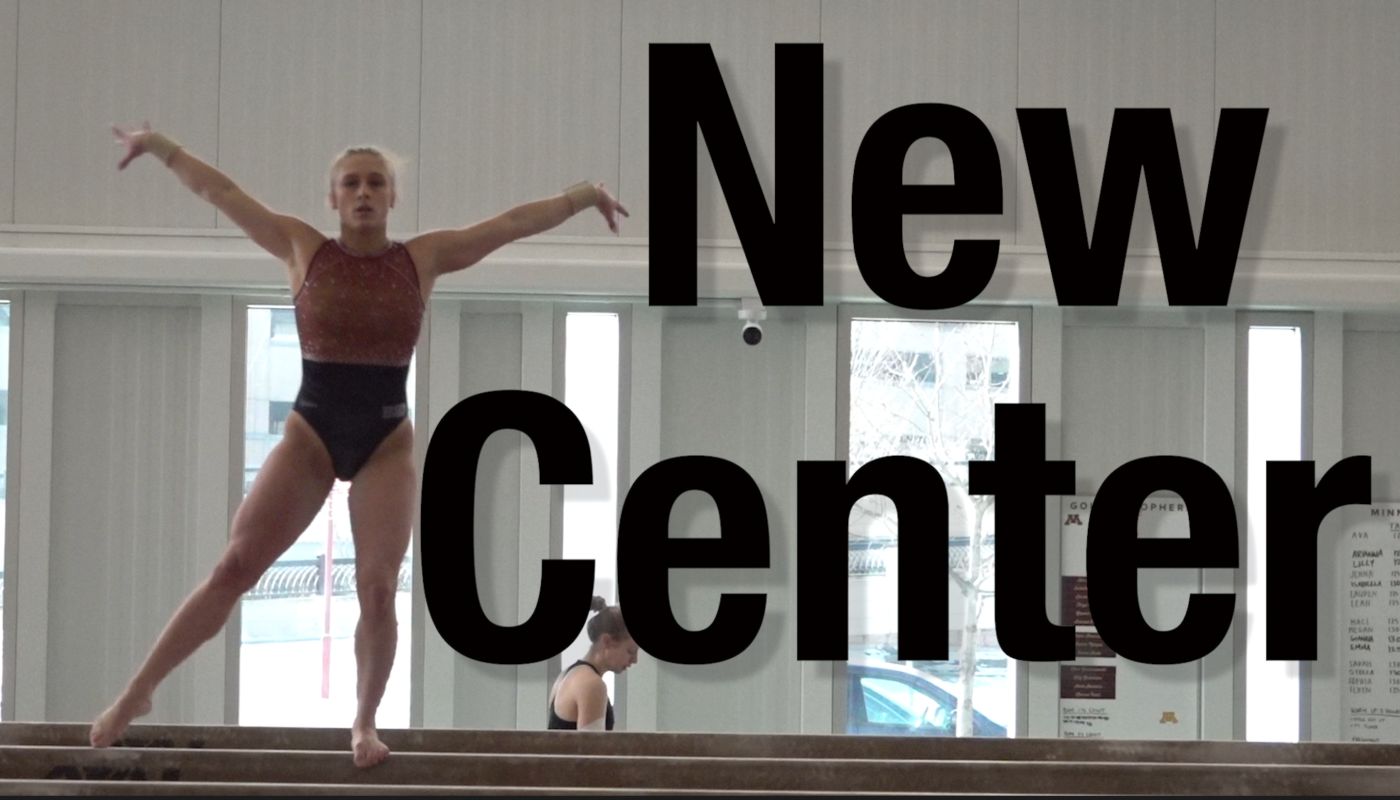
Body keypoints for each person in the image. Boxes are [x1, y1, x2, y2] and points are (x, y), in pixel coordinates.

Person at [91, 123, 628, 767]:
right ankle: (138, 691)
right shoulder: (301, 247)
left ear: (393, 197)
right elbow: (224, 193)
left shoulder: (420, 260)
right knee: (235, 566)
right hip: (311, 434)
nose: (365, 193)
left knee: (377, 589)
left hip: (386, 443)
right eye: (352, 184)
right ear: (333, 198)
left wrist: (583, 195)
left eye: (377, 183)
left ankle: (365, 722)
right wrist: (160, 148)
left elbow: (507, 224)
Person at [547, 596, 637, 731]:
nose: (634, 660)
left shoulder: (568, 674)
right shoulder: (592, 685)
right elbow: (592, 751)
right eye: (630, 651)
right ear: (607, 641)